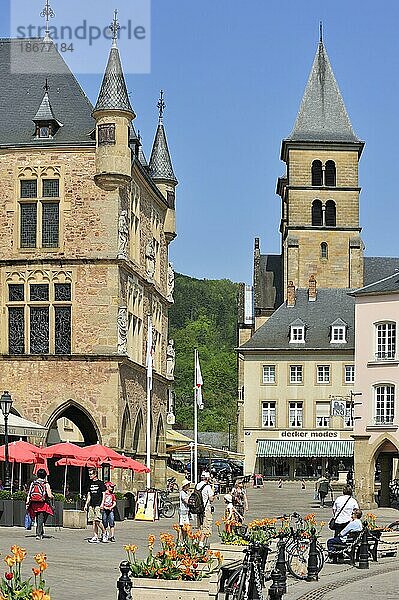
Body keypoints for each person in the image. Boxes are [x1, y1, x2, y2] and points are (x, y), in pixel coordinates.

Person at [26, 469, 54, 541]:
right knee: (41, 518)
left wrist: (28, 501)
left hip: (34, 503)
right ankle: (38, 534)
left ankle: (40, 531)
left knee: (38, 518)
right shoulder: (46, 484)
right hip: (42, 504)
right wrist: (52, 496)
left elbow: (29, 493)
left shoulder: (33, 483)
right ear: (45, 476)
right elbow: (49, 495)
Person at [84, 468, 106, 543]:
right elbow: (89, 495)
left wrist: (102, 504)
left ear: (95, 474)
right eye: (89, 474)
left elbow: (104, 494)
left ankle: (104, 532)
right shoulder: (90, 483)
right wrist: (86, 504)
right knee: (93, 521)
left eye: (91, 474)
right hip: (92, 504)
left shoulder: (100, 483)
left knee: (98, 520)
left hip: (98, 504)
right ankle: (95, 536)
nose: (89, 475)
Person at [195, 471, 214, 547]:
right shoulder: (207, 487)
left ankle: (197, 540)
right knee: (206, 525)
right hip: (206, 508)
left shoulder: (197, 485)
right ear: (207, 478)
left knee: (200, 525)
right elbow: (211, 498)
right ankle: (201, 543)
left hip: (198, 509)